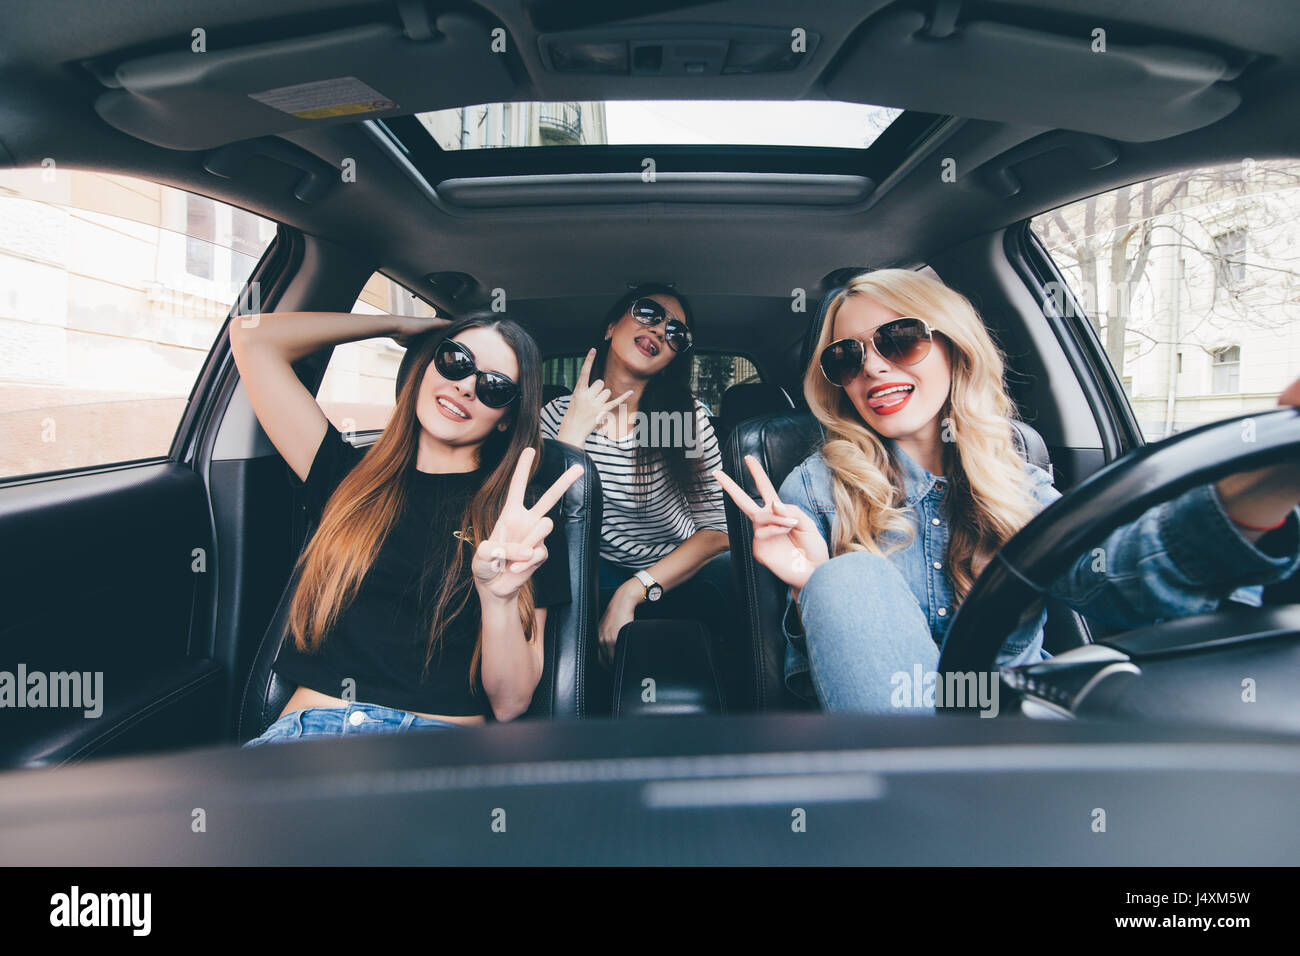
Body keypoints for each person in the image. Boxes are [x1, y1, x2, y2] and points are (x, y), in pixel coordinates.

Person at [715, 269, 1300, 714]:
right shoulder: (814, 486)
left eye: (898, 339)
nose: (872, 368)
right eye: (847, 356)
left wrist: (1258, 487)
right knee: (845, 576)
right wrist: (810, 585)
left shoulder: (1013, 472)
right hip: (892, 757)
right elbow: (809, 682)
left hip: (1014, 732)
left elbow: (1120, 576)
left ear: (953, 346)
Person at [231, 308, 582, 745]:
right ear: (424, 366)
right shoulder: (345, 476)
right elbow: (250, 338)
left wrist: (499, 599)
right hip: (307, 739)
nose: (467, 386)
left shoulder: (521, 523)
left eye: (494, 387)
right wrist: (400, 326)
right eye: (455, 360)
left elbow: (511, 703)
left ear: (506, 417)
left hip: (434, 749)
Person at [540, 285, 732, 667]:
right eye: (649, 313)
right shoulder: (555, 414)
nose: (661, 330)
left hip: (674, 573)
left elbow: (717, 532)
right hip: (588, 573)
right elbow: (542, 524)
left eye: (677, 333)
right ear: (611, 326)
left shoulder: (680, 421)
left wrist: (634, 590)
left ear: (673, 357)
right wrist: (573, 434)